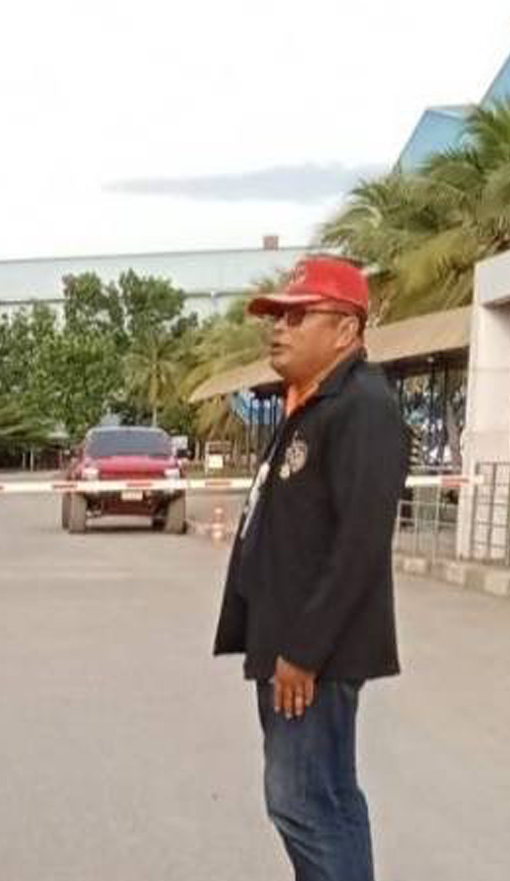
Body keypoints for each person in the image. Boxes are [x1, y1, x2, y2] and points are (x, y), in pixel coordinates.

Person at [213, 255, 406, 881]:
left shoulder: (363, 407)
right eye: (276, 317)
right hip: (288, 644)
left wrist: (303, 651)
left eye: (297, 317)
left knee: (302, 803)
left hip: (311, 656)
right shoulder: (312, 403)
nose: (279, 329)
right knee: (324, 800)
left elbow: (360, 543)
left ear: (345, 330)